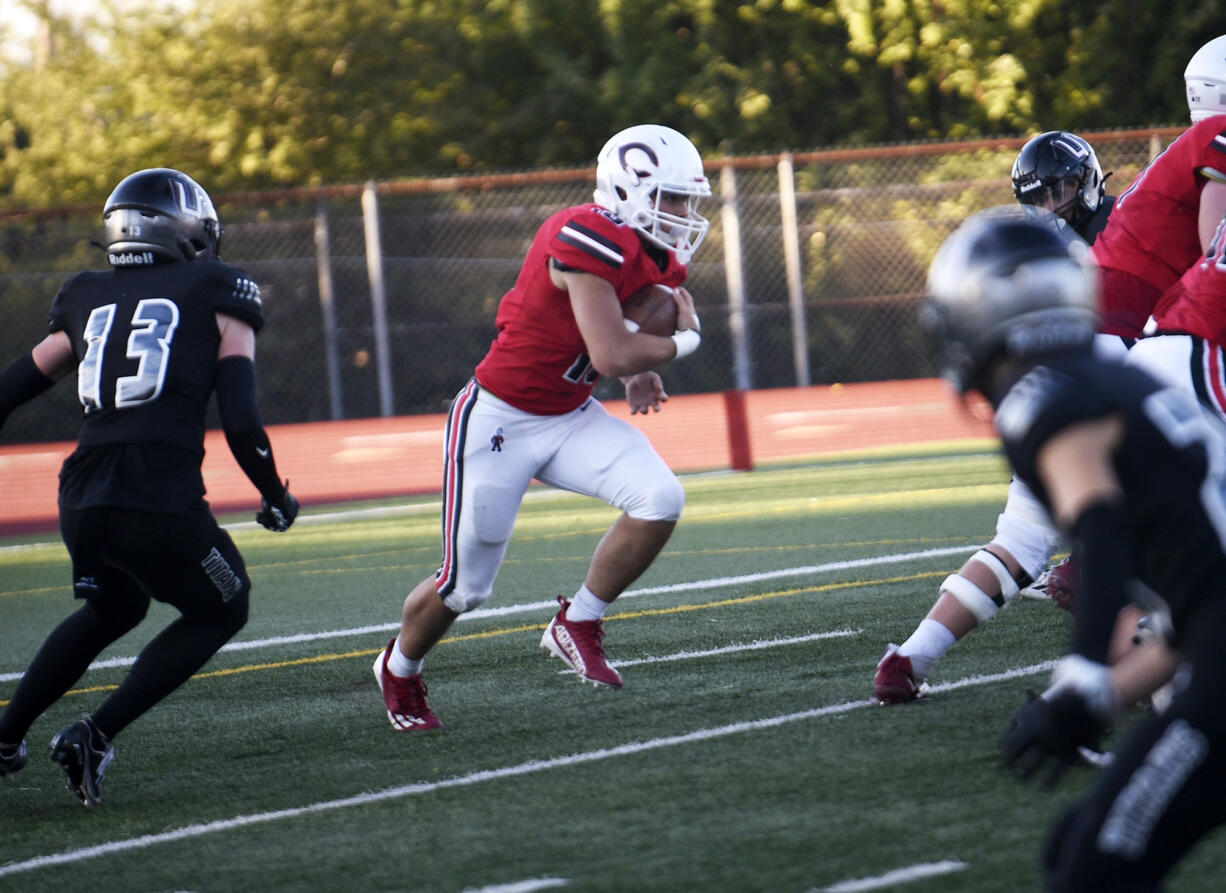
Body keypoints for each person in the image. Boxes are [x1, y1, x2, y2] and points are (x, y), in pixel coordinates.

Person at [920, 207, 1225, 892]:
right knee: (1077, 843)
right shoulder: (1119, 378)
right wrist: (1111, 693)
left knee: (1093, 868)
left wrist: (1084, 679)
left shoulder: (1042, 397)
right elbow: (1198, 603)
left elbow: (1103, 529)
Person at [373, 124, 709, 731]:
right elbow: (609, 352)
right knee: (464, 589)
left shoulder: (644, 246)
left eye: (687, 199)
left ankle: (576, 621)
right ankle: (399, 668)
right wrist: (680, 344)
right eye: (674, 197)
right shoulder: (581, 236)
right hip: (499, 420)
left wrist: (636, 372)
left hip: (569, 414)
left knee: (660, 498)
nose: (684, 213)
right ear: (630, 189)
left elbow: (619, 329)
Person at [0, 168, 298, 805]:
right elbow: (241, 420)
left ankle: (5, 736)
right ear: (188, 232)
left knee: (115, 607)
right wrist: (274, 493)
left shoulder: (85, 294)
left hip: (80, 495)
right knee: (226, 604)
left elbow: (8, 391)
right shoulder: (221, 288)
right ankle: (96, 733)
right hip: (156, 495)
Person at [874, 132, 1115, 704]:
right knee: (1141, 550)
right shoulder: (1056, 246)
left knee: (1028, 541)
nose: (1052, 206)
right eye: (1040, 195)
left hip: (1061, 391)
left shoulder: (1107, 227)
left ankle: (911, 657)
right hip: (1113, 379)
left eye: (1061, 189)